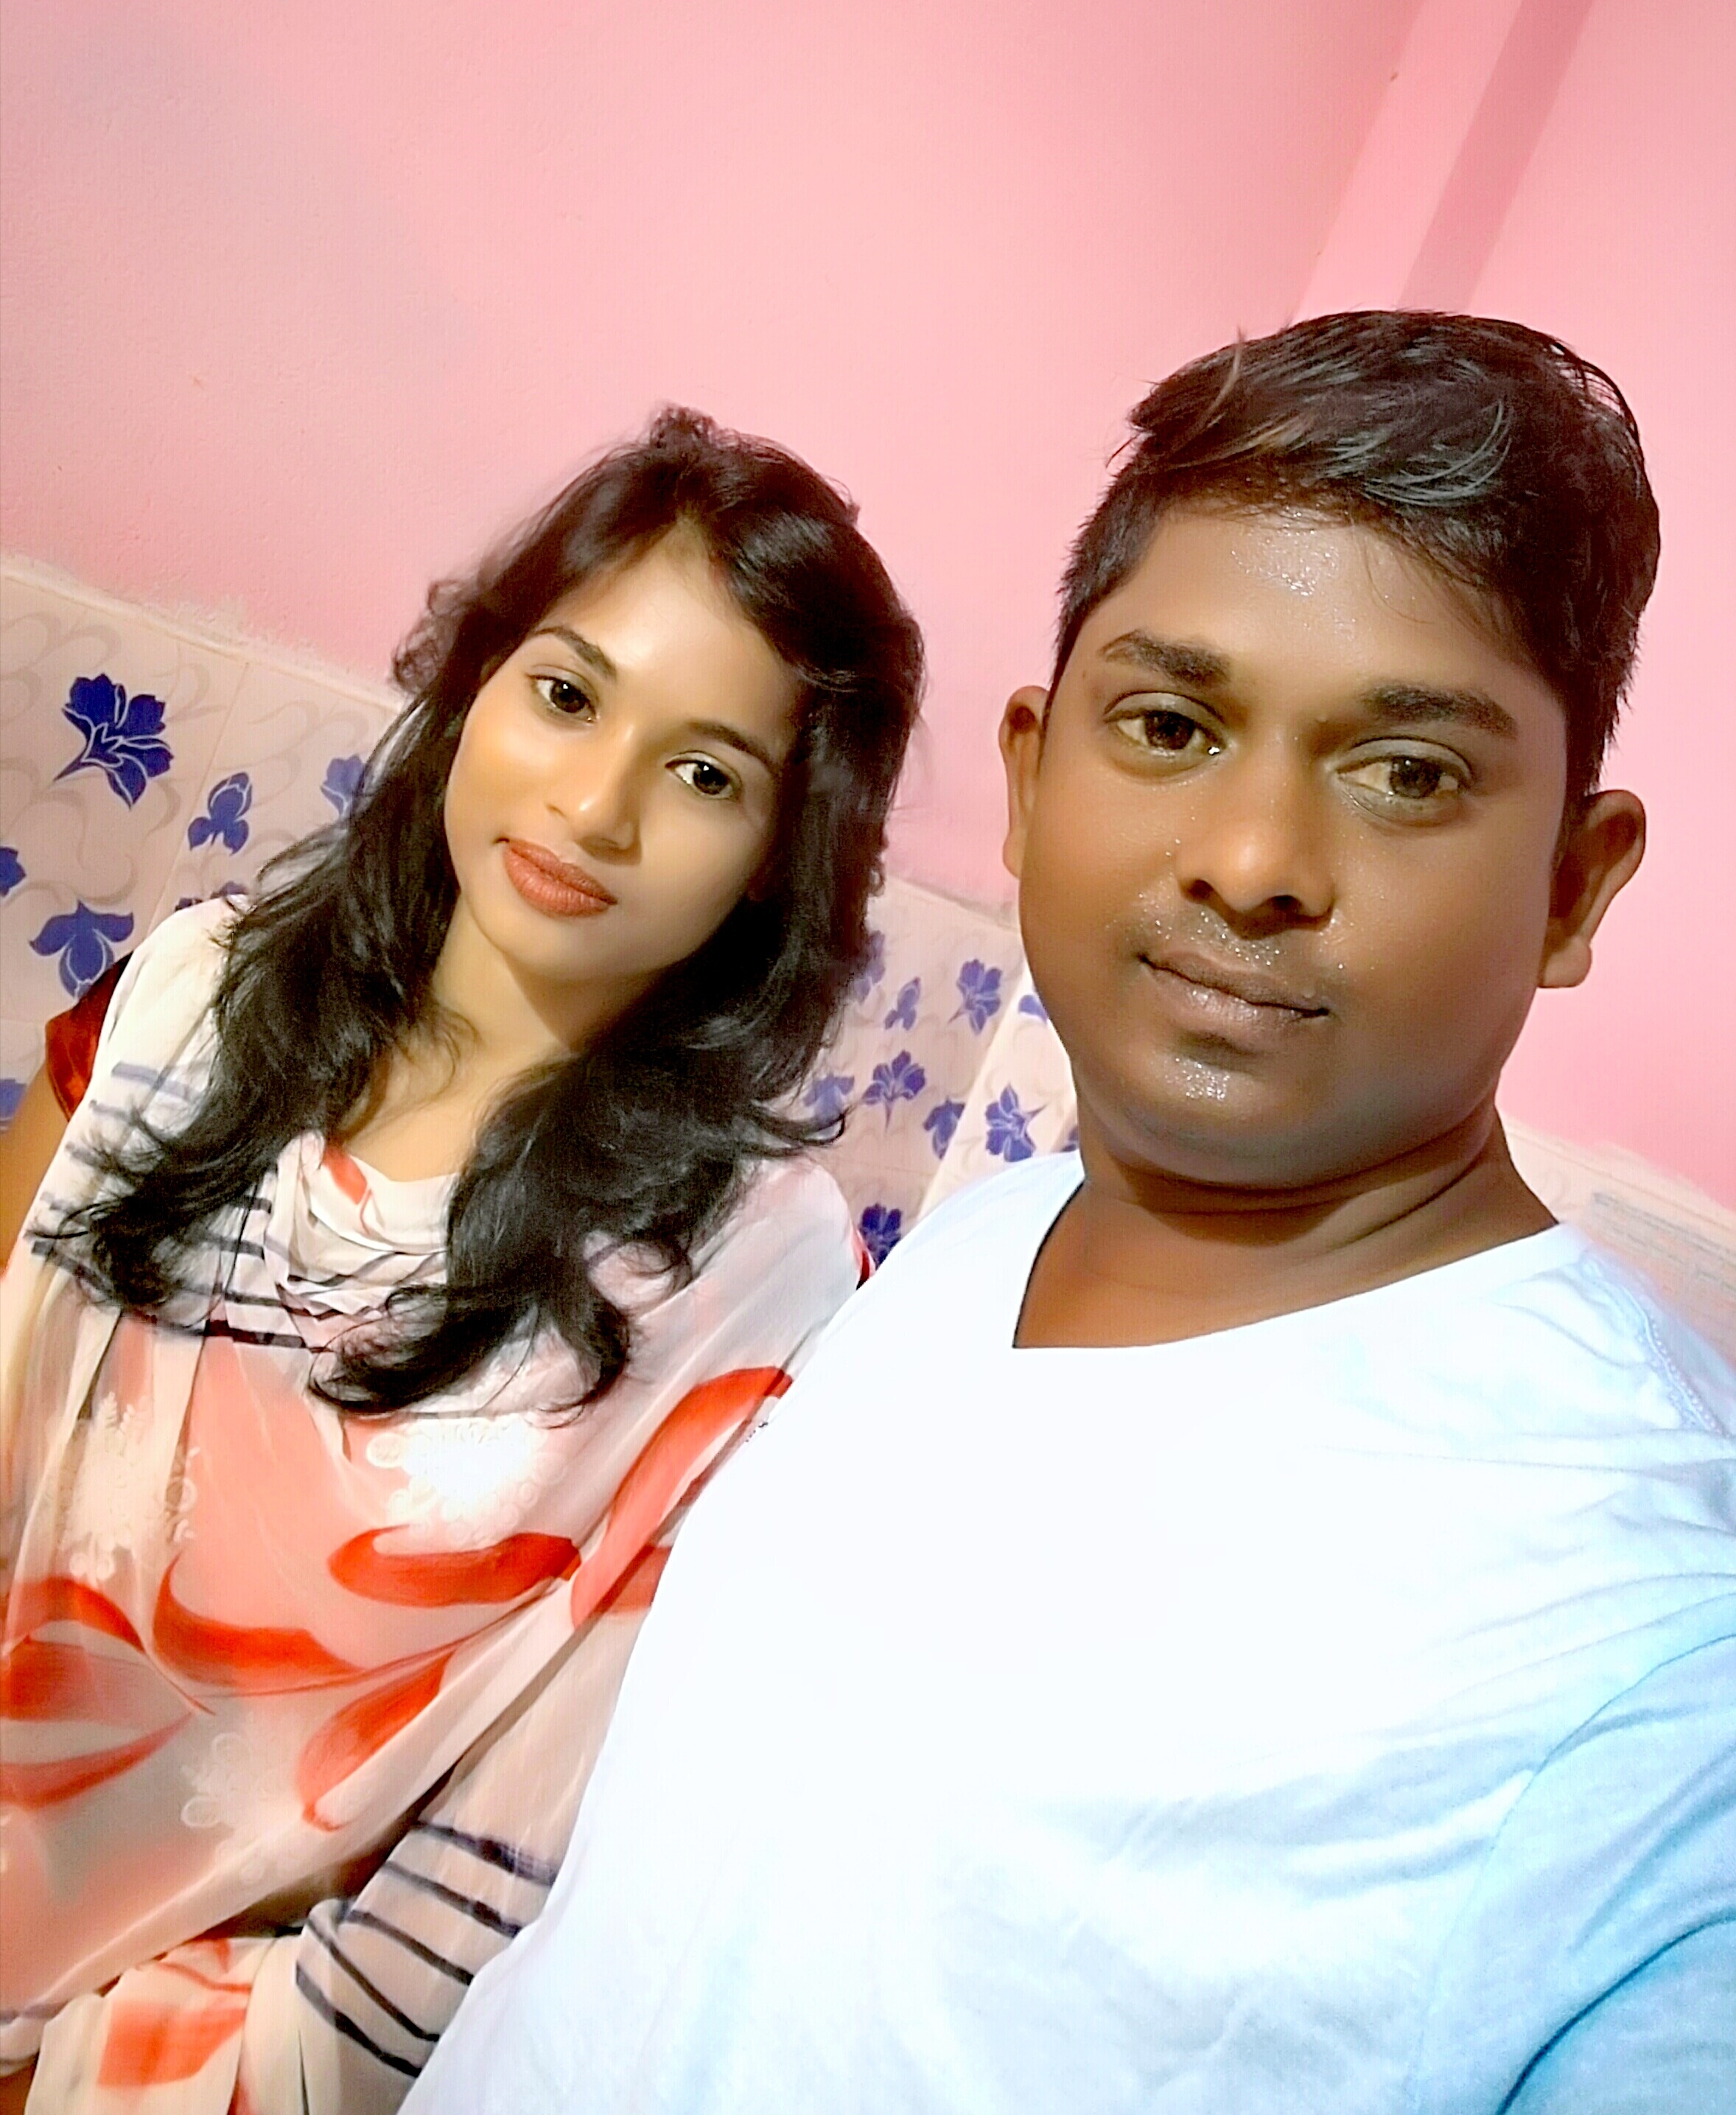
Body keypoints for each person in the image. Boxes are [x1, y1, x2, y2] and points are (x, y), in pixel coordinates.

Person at [407, 315, 1736, 2114]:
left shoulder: (1649, 1660)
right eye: (1170, 726)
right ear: (1032, 784)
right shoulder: (971, 1253)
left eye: (1406, 772)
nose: (1248, 861)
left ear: (1571, 887)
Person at [0, 408, 924, 2114]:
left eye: (706, 774)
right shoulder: (185, 999)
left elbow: (517, 1854)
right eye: (567, 694)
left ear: (776, 859)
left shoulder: (751, 1265)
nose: (595, 805)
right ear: (478, 680)